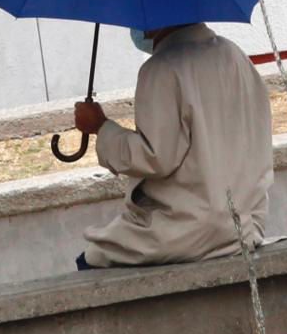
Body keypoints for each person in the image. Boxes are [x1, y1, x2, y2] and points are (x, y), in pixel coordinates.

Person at [73, 23, 273, 269]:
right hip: (245, 226)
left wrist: (101, 127)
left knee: (91, 259)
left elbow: (154, 157)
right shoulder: (234, 55)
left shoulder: (162, 68)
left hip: (190, 228)